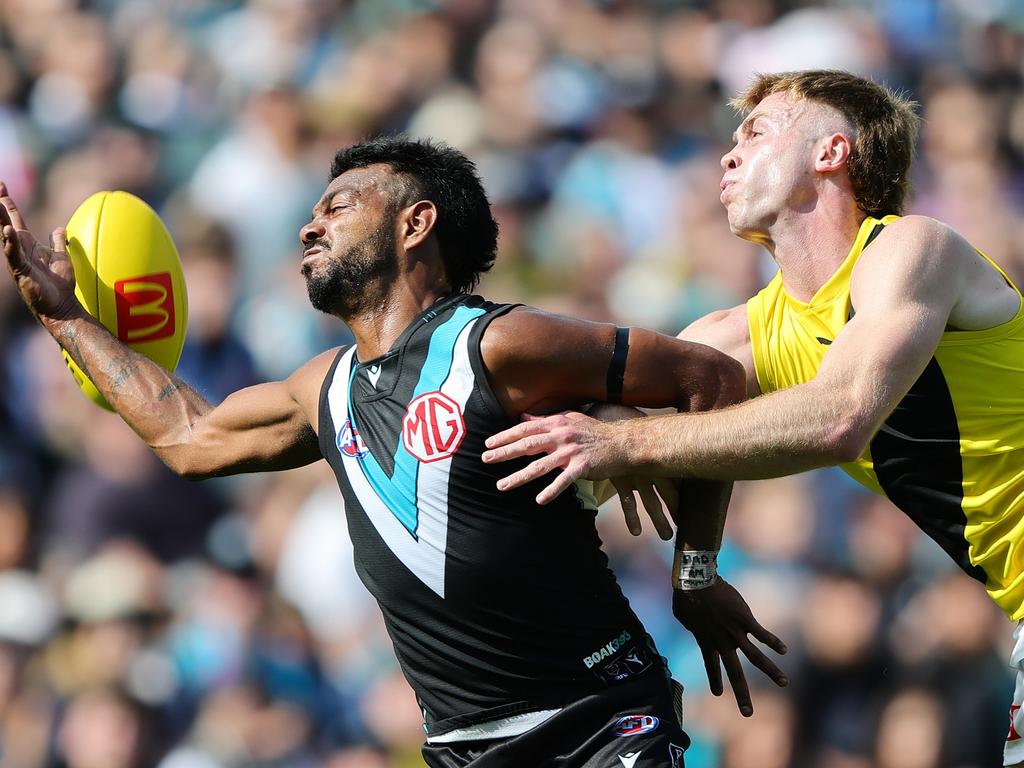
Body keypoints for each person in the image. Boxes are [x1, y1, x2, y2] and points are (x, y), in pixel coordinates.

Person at [1, 137, 786, 767]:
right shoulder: (324, 389)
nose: (310, 227)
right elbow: (186, 435)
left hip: (601, 728)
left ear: (415, 224)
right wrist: (67, 317)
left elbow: (709, 377)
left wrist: (696, 573)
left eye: (338, 207)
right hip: (462, 750)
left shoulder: (498, 343)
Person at [481, 69, 1024, 765]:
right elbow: (638, 411)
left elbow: (839, 418)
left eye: (756, 133)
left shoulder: (913, 249)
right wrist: (694, 570)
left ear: (832, 152)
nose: (728, 154)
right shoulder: (736, 338)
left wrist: (629, 442)